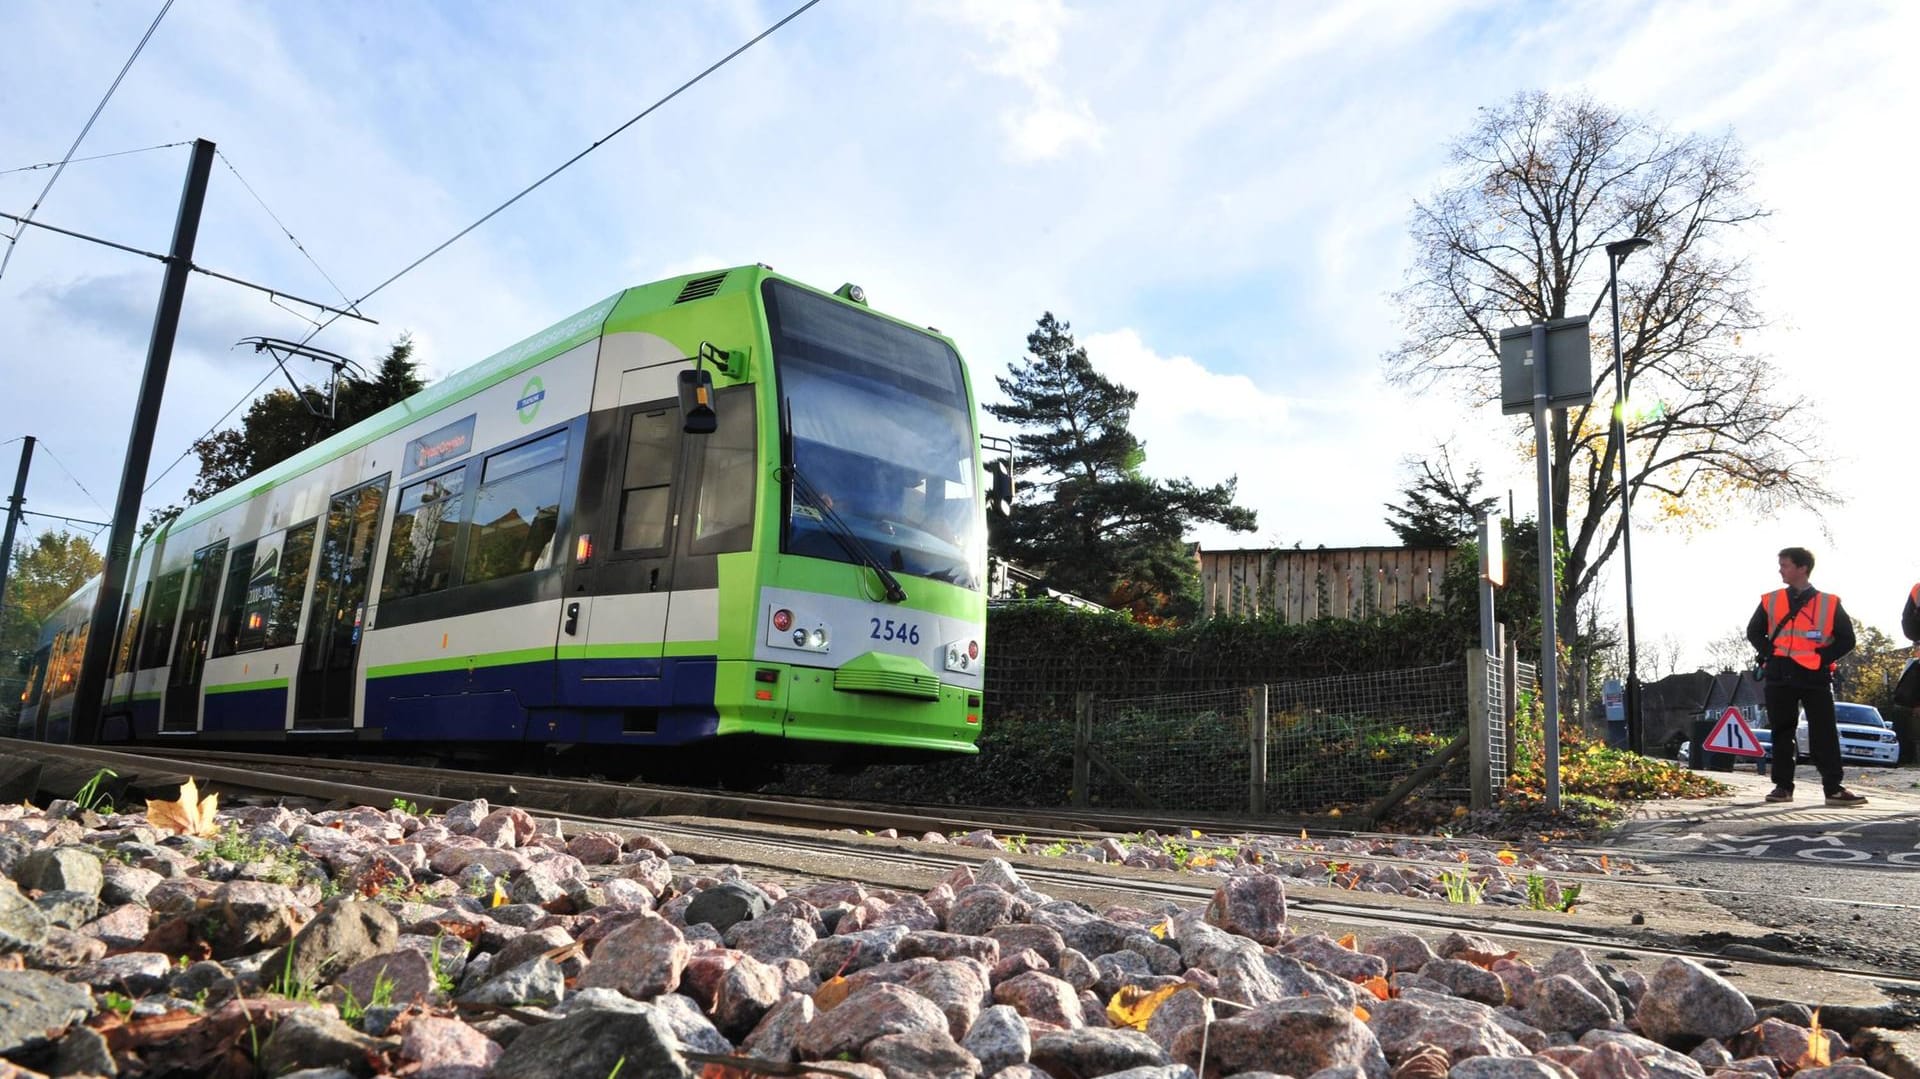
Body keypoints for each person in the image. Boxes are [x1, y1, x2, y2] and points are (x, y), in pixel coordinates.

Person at [1745, 547, 1865, 807]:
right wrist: (1771, 653)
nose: (1780, 570)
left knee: (1824, 733)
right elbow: (1753, 631)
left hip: (1814, 675)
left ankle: (1833, 788)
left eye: (1785, 565)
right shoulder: (1771, 600)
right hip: (1779, 673)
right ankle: (1782, 787)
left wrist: (1823, 657)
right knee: (1781, 731)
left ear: (1802, 568)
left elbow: (1848, 639)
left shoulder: (1829, 602)